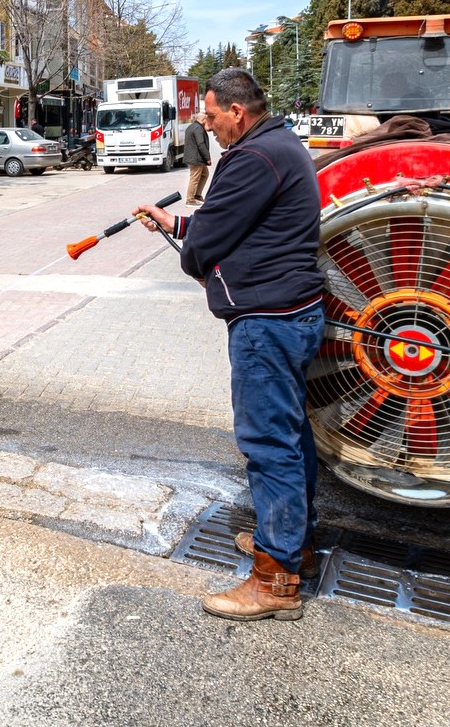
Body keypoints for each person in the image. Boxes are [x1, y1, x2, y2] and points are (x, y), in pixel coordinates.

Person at [133, 68, 325, 622]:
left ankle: (275, 580)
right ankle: (293, 545)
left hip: (268, 322)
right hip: (290, 313)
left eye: (212, 116)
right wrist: (175, 222)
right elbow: (233, 225)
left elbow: (210, 241)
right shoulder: (280, 144)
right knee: (289, 435)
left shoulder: (251, 158)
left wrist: (190, 245)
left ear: (236, 112)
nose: (208, 127)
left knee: (269, 444)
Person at [182, 109, 211, 206]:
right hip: (196, 158)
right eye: (206, 120)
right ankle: (190, 200)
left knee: (205, 174)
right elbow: (201, 144)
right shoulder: (198, 129)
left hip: (195, 157)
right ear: (203, 120)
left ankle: (197, 195)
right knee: (194, 178)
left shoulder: (191, 126)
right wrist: (207, 157)